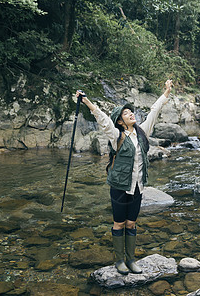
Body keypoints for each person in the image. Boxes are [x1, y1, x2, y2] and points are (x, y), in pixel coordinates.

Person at [75, 79, 173, 275]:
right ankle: (119, 260)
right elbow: (102, 119)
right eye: (126, 113)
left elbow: (154, 111)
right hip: (119, 187)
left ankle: (131, 259)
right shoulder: (116, 135)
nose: (131, 114)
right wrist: (86, 102)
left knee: (132, 223)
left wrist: (166, 92)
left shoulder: (142, 131)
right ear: (120, 121)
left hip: (138, 186)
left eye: (131, 112)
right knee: (119, 223)